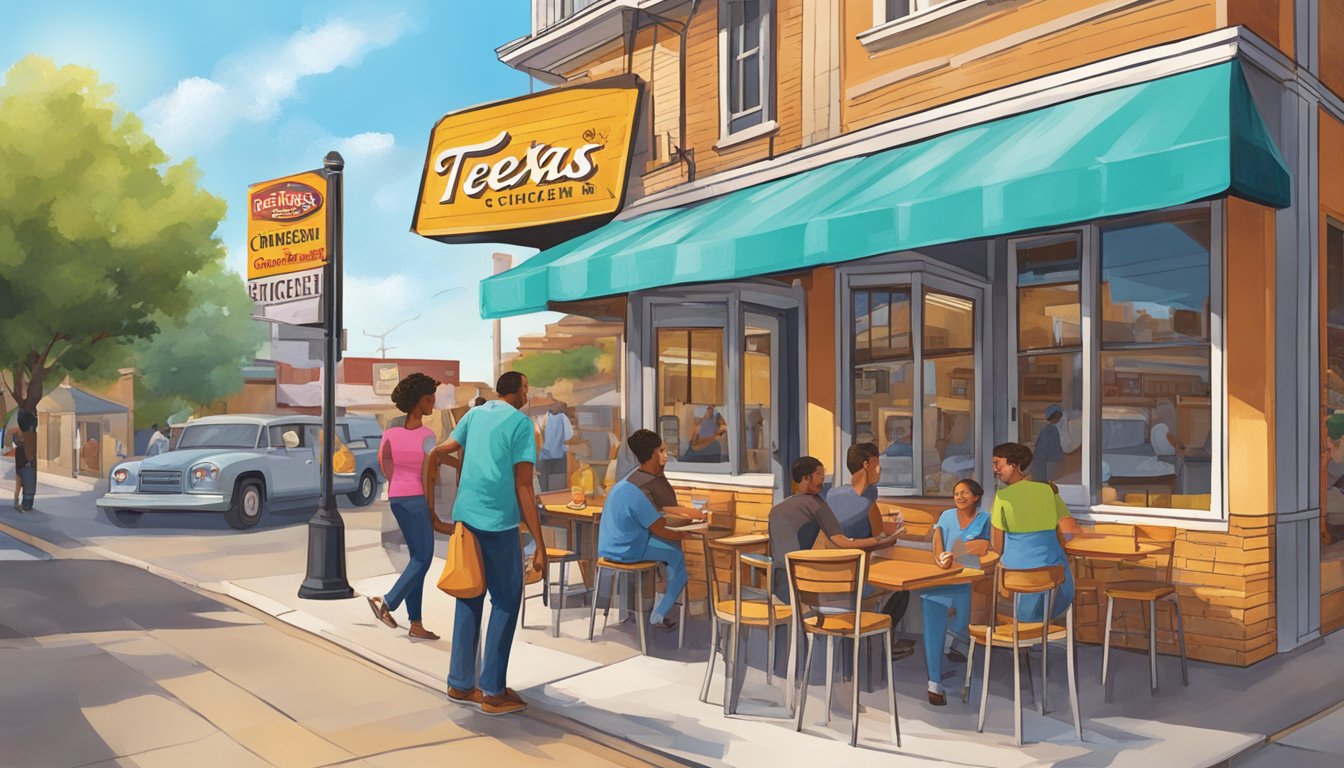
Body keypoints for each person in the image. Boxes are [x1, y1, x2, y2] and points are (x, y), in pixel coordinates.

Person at [428, 371, 546, 716]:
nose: (527, 394)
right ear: (519, 391)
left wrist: (432, 500)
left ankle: (460, 684)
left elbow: (444, 450)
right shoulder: (521, 425)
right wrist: (538, 542)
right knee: (507, 600)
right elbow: (524, 486)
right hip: (499, 523)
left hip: (467, 518)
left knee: (469, 594)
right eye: (527, 388)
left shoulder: (475, 414)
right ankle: (493, 690)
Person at [367, 373, 450, 641]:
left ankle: (416, 623)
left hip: (398, 498)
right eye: (429, 400)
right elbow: (429, 474)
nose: (432, 406)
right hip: (416, 498)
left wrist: (398, 483)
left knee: (418, 559)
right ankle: (387, 602)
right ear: (418, 402)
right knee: (423, 558)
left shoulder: (390, 433)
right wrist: (429, 506)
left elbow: (385, 463)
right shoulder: (427, 435)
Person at [598, 430, 708, 629]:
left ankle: (662, 607)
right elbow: (660, 528)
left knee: (671, 550)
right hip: (628, 550)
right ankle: (659, 613)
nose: (666, 455)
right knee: (677, 557)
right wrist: (685, 533)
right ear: (650, 455)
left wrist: (688, 516)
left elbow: (659, 518)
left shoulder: (625, 485)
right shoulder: (637, 491)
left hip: (609, 548)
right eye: (661, 451)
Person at [824, 442, 916, 659]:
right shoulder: (868, 500)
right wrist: (896, 535)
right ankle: (884, 641)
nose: (879, 470)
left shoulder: (832, 495)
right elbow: (880, 539)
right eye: (877, 465)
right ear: (866, 465)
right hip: (855, 578)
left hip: (828, 575)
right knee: (901, 590)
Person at [767, 456, 901, 604]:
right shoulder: (816, 504)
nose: (823, 480)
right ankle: (875, 624)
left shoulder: (776, 510)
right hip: (808, 591)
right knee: (889, 592)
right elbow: (842, 542)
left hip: (780, 587)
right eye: (819, 475)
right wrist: (879, 540)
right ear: (806, 478)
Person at [919, 479, 991, 705]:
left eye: (965, 493)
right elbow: (937, 543)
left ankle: (954, 640)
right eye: (956, 493)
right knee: (932, 620)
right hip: (944, 576)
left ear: (976, 496)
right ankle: (934, 682)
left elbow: (985, 546)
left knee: (962, 623)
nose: (959, 497)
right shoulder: (947, 516)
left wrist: (958, 552)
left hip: (970, 579)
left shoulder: (985, 519)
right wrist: (941, 558)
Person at [989, 442, 1077, 624]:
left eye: (998, 463)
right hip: (1051, 569)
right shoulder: (1047, 490)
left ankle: (1027, 637)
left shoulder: (1002, 497)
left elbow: (997, 547)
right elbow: (1069, 529)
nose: (994, 469)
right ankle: (1038, 637)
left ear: (1013, 465)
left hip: (1016, 573)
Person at [538, 401, 575, 491]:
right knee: (557, 484)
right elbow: (569, 435)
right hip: (558, 456)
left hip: (544, 455)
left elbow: (540, 431)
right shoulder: (563, 417)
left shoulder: (546, 416)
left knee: (544, 482)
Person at [1033, 405, 1065, 483]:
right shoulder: (1051, 429)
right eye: (1059, 416)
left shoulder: (1048, 428)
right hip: (1048, 460)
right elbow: (1054, 447)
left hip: (1045, 460)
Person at [15, 409, 37, 511]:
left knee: (22, 485)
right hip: (26, 465)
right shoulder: (29, 437)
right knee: (24, 485)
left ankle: (23, 503)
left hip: (25, 465)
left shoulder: (28, 437)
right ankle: (24, 503)